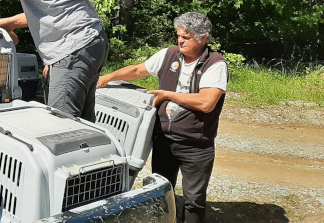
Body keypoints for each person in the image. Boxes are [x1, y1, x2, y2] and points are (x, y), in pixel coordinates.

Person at [96, 12, 228, 223]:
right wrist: (107, 78)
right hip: (164, 141)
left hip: (196, 145)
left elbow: (206, 102)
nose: (180, 40)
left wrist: (167, 95)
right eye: (179, 35)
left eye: (186, 37)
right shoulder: (169, 54)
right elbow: (139, 70)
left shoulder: (215, 64)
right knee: (160, 192)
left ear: (203, 38)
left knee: (194, 200)